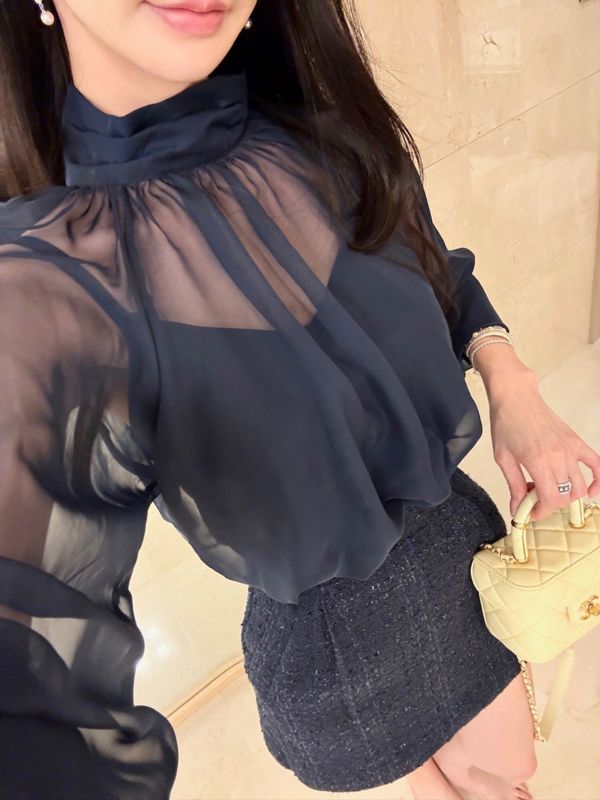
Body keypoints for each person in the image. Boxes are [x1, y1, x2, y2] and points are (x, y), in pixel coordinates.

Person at [1, 1, 599, 799]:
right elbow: (29, 676)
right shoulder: (46, 291)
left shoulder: (326, 139)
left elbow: (435, 269)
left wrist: (510, 381)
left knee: (497, 775)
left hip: (463, 549)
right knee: (507, 775)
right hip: (343, 652)